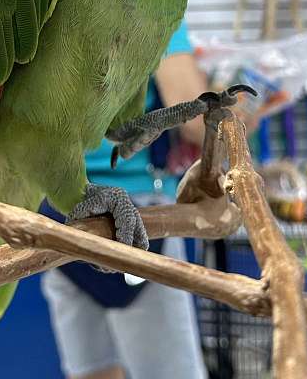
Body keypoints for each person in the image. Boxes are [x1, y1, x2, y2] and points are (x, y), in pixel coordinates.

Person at [41, 20, 208, 379]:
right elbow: (196, 122)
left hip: (59, 208)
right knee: (169, 372)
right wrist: (238, 112)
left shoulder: (46, 7)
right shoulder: (156, 7)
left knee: (92, 368)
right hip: (140, 209)